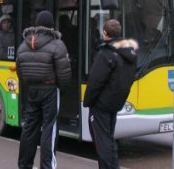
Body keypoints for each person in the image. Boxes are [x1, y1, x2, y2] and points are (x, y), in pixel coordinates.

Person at [16, 10, 72, 169]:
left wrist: (30, 83)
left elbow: (20, 71)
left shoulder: (24, 44)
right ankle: (47, 166)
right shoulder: (57, 44)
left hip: (32, 91)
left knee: (29, 127)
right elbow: (64, 73)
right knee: (50, 127)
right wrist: (61, 88)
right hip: (50, 90)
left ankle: (24, 165)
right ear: (51, 25)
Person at [83, 19, 138, 169]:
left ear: (105, 33)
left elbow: (95, 82)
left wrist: (87, 101)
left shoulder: (106, 54)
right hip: (115, 103)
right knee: (109, 140)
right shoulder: (129, 54)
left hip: (101, 105)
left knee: (102, 143)